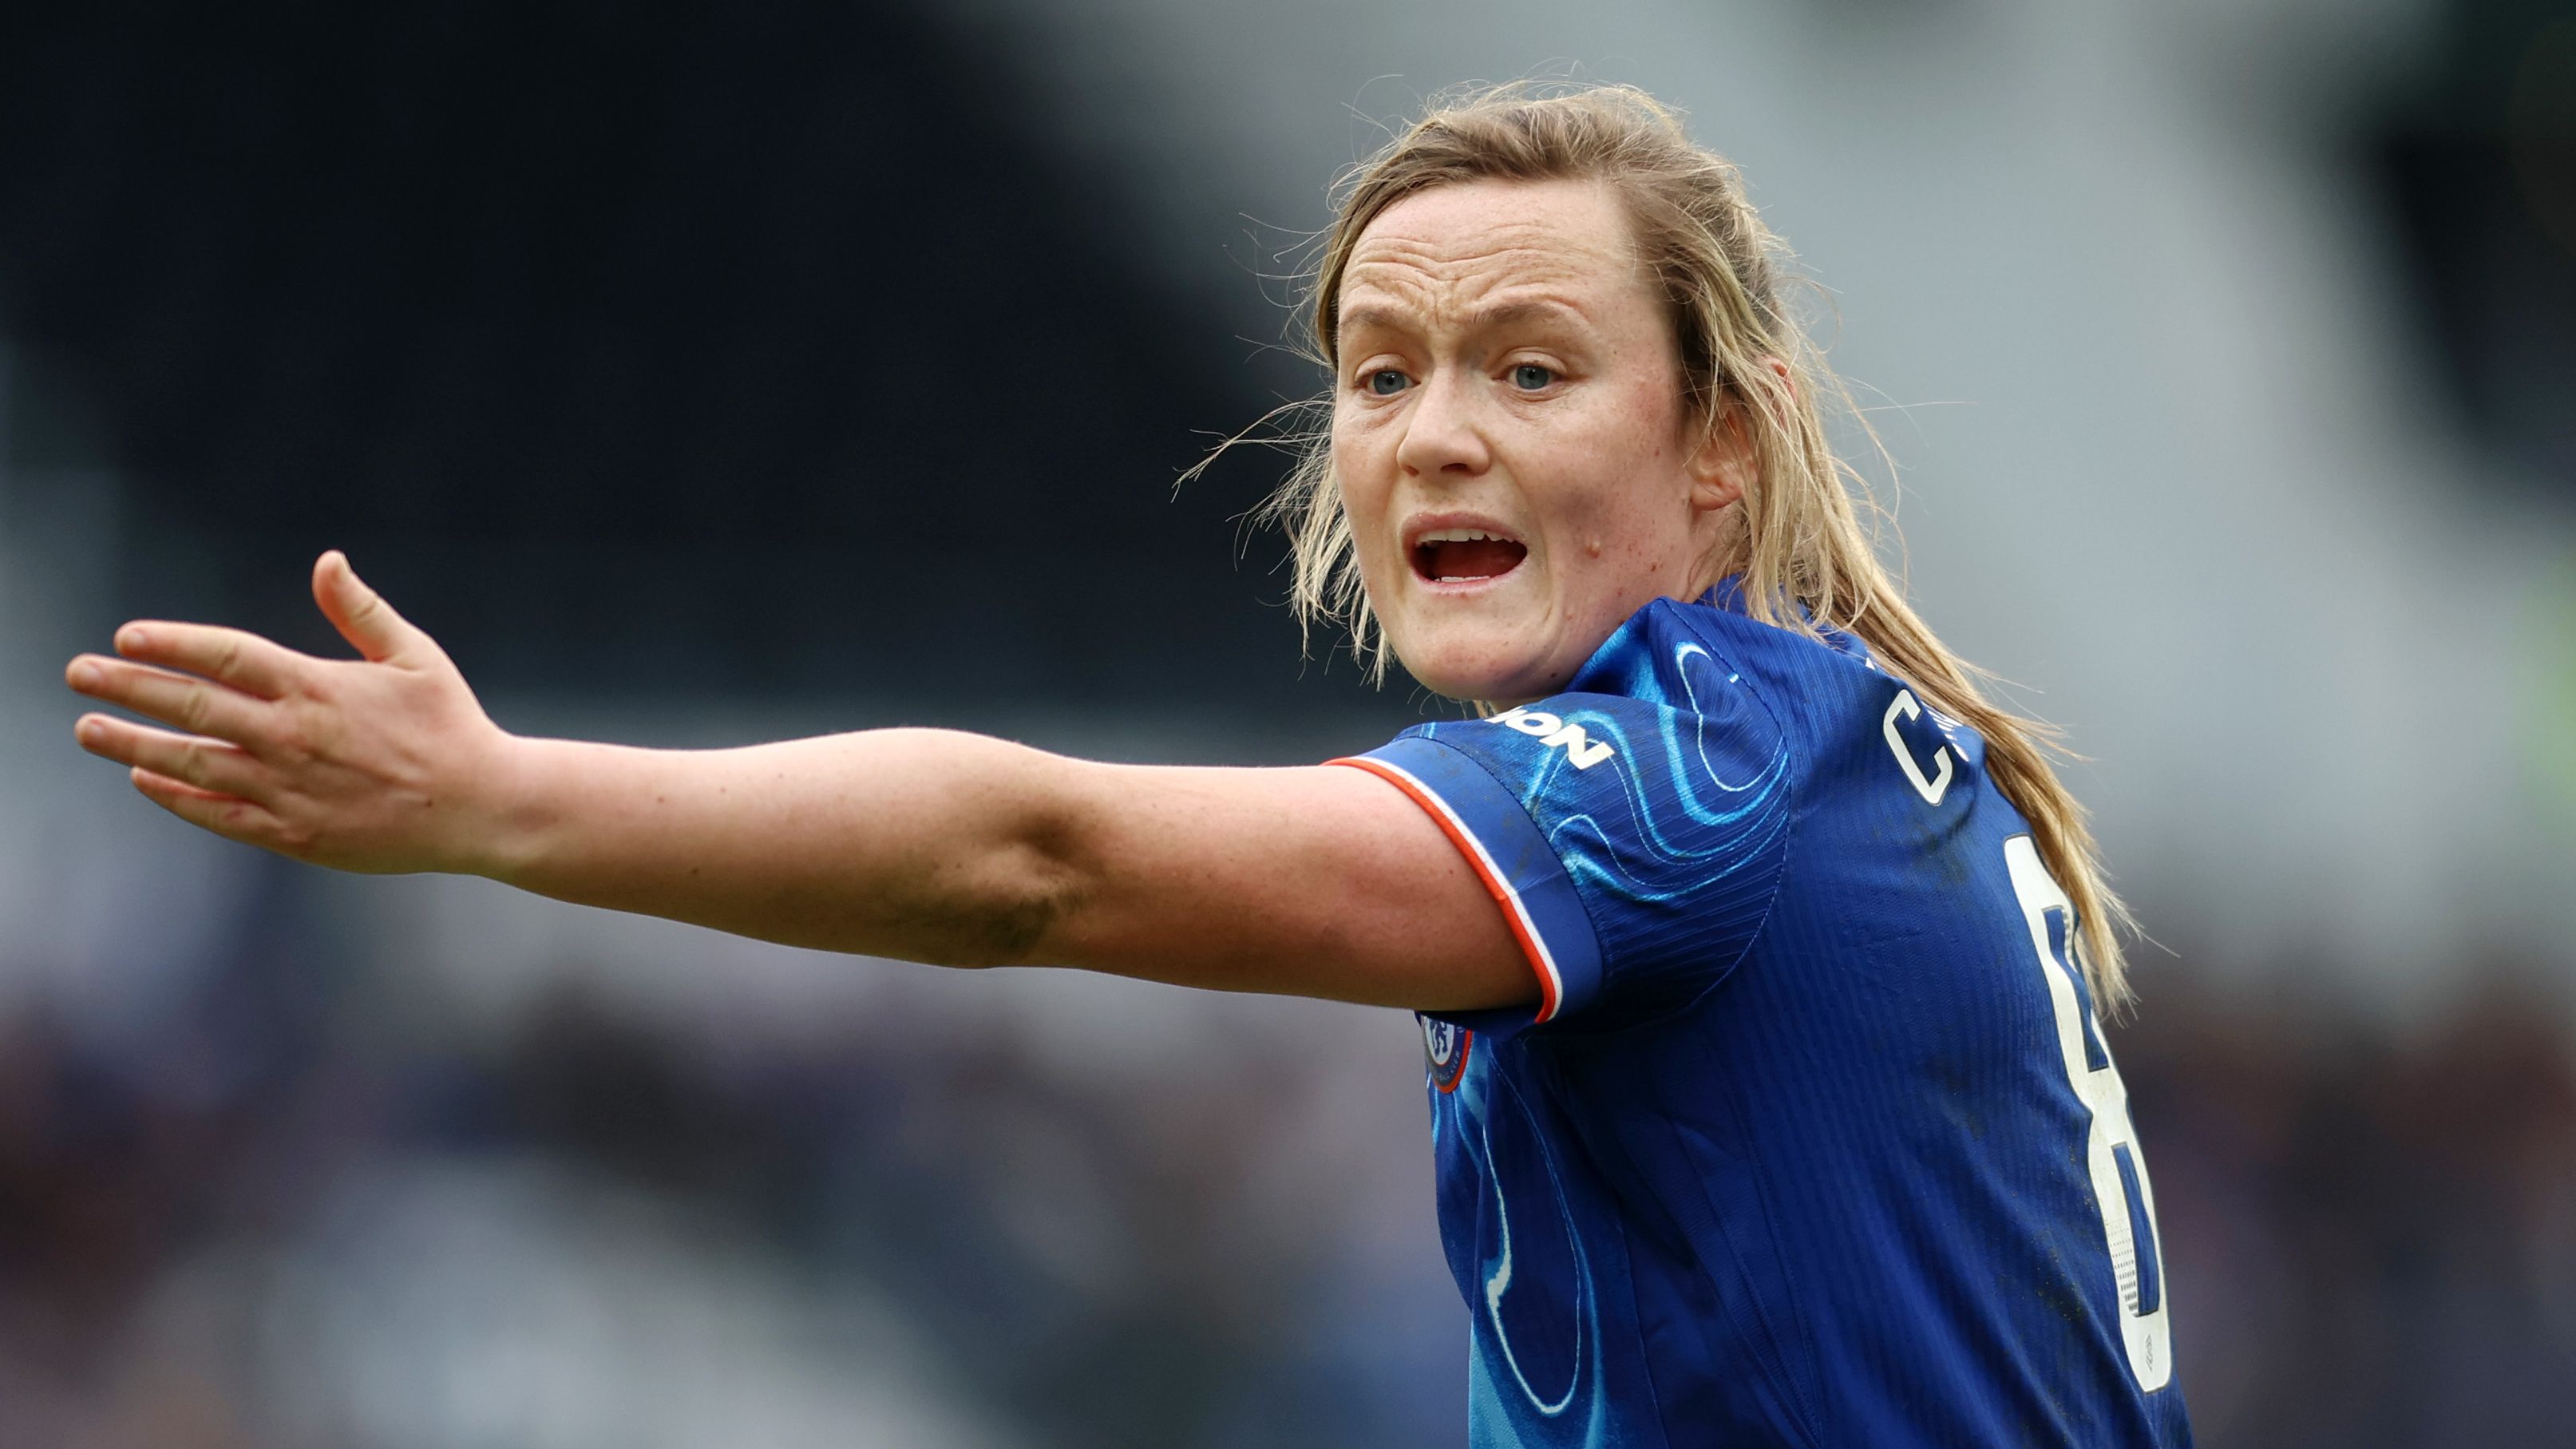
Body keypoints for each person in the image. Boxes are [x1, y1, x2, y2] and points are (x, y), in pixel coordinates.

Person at [65, 85, 2190, 1447]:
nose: (1432, 430)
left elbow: (1034, 864)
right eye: (1380, 373)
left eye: (1529, 369)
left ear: (1715, 445)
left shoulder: (1694, 788)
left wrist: (507, 804)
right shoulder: (1841, 763)